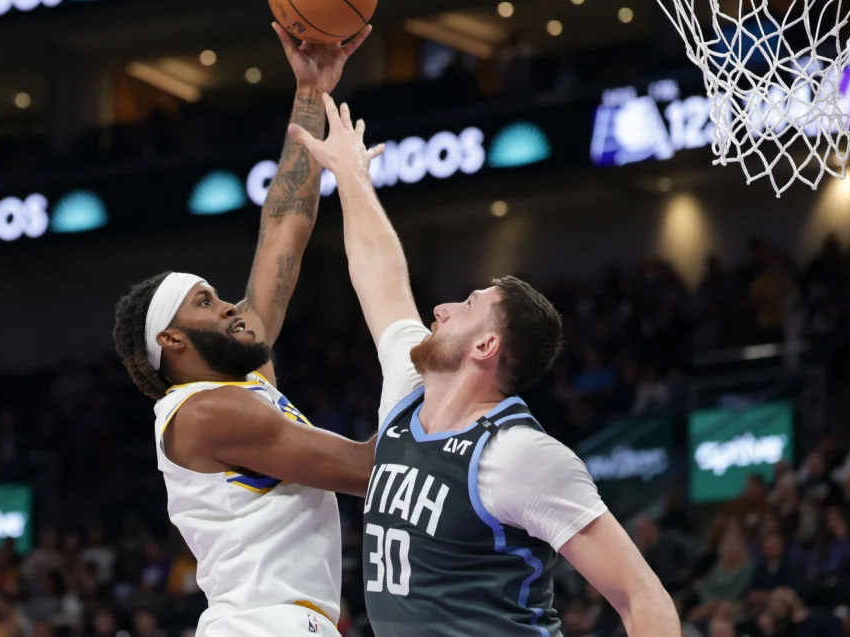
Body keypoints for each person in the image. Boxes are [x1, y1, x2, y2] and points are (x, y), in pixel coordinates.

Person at [287, 94, 679, 636]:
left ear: (485, 347)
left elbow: (641, 596)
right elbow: (380, 274)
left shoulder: (520, 455)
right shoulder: (408, 390)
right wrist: (352, 176)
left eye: (466, 305)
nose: (440, 309)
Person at [111, 25, 373, 637]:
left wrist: (311, 88)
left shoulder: (243, 374)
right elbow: (368, 472)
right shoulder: (205, 414)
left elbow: (286, 224)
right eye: (206, 302)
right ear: (171, 341)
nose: (231, 305)